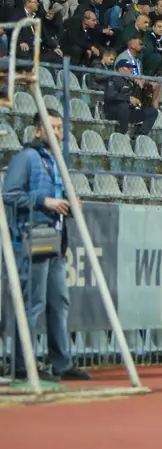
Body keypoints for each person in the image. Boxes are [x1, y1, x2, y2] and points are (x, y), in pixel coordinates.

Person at [2, 112, 91, 382]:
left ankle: (60, 362)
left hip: (54, 239)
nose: (57, 132)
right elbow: (9, 194)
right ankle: (23, 364)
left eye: (60, 127)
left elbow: (54, 196)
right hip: (31, 236)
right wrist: (46, 201)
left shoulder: (55, 160)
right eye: (51, 127)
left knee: (58, 302)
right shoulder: (26, 158)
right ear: (37, 131)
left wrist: (69, 203)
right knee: (33, 303)